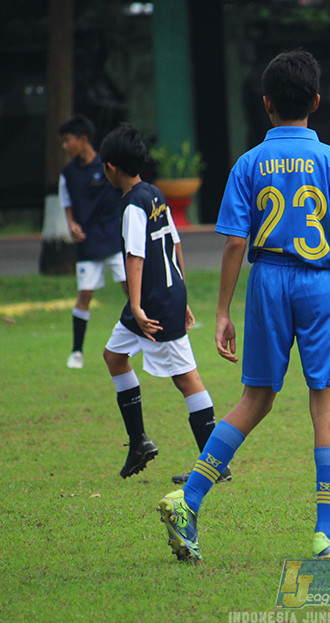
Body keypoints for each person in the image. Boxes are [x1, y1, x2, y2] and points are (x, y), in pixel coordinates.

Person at [156, 49, 330, 562]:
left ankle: (187, 498)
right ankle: (326, 534)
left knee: (255, 398)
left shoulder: (248, 163)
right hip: (322, 285)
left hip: (268, 281)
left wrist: (221, 312)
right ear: (317, 102)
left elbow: (235, 243)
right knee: (326, 399)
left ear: (266, 104)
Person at [97, 123, 221, 483]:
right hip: (166, 294)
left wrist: (136, 306)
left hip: (151, 302)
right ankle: (138, 442)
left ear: (110, 168)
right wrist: (181, 294)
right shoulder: (154, 193)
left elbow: (134, 256)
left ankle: (215, 463)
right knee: (114, 357)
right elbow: (175, 244)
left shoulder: (133, 205)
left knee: (187, 379)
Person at [58, 115, 127, 369]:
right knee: (85, 294)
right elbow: (67, 203)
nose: (64, 146)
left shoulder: (108, 165)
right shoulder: (68, 173)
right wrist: (71, 225)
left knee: (131, 289)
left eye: (67, 141)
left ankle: (143, 340)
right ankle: (77, 352)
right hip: (87, 241)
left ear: (82, 139)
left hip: (113, 238)